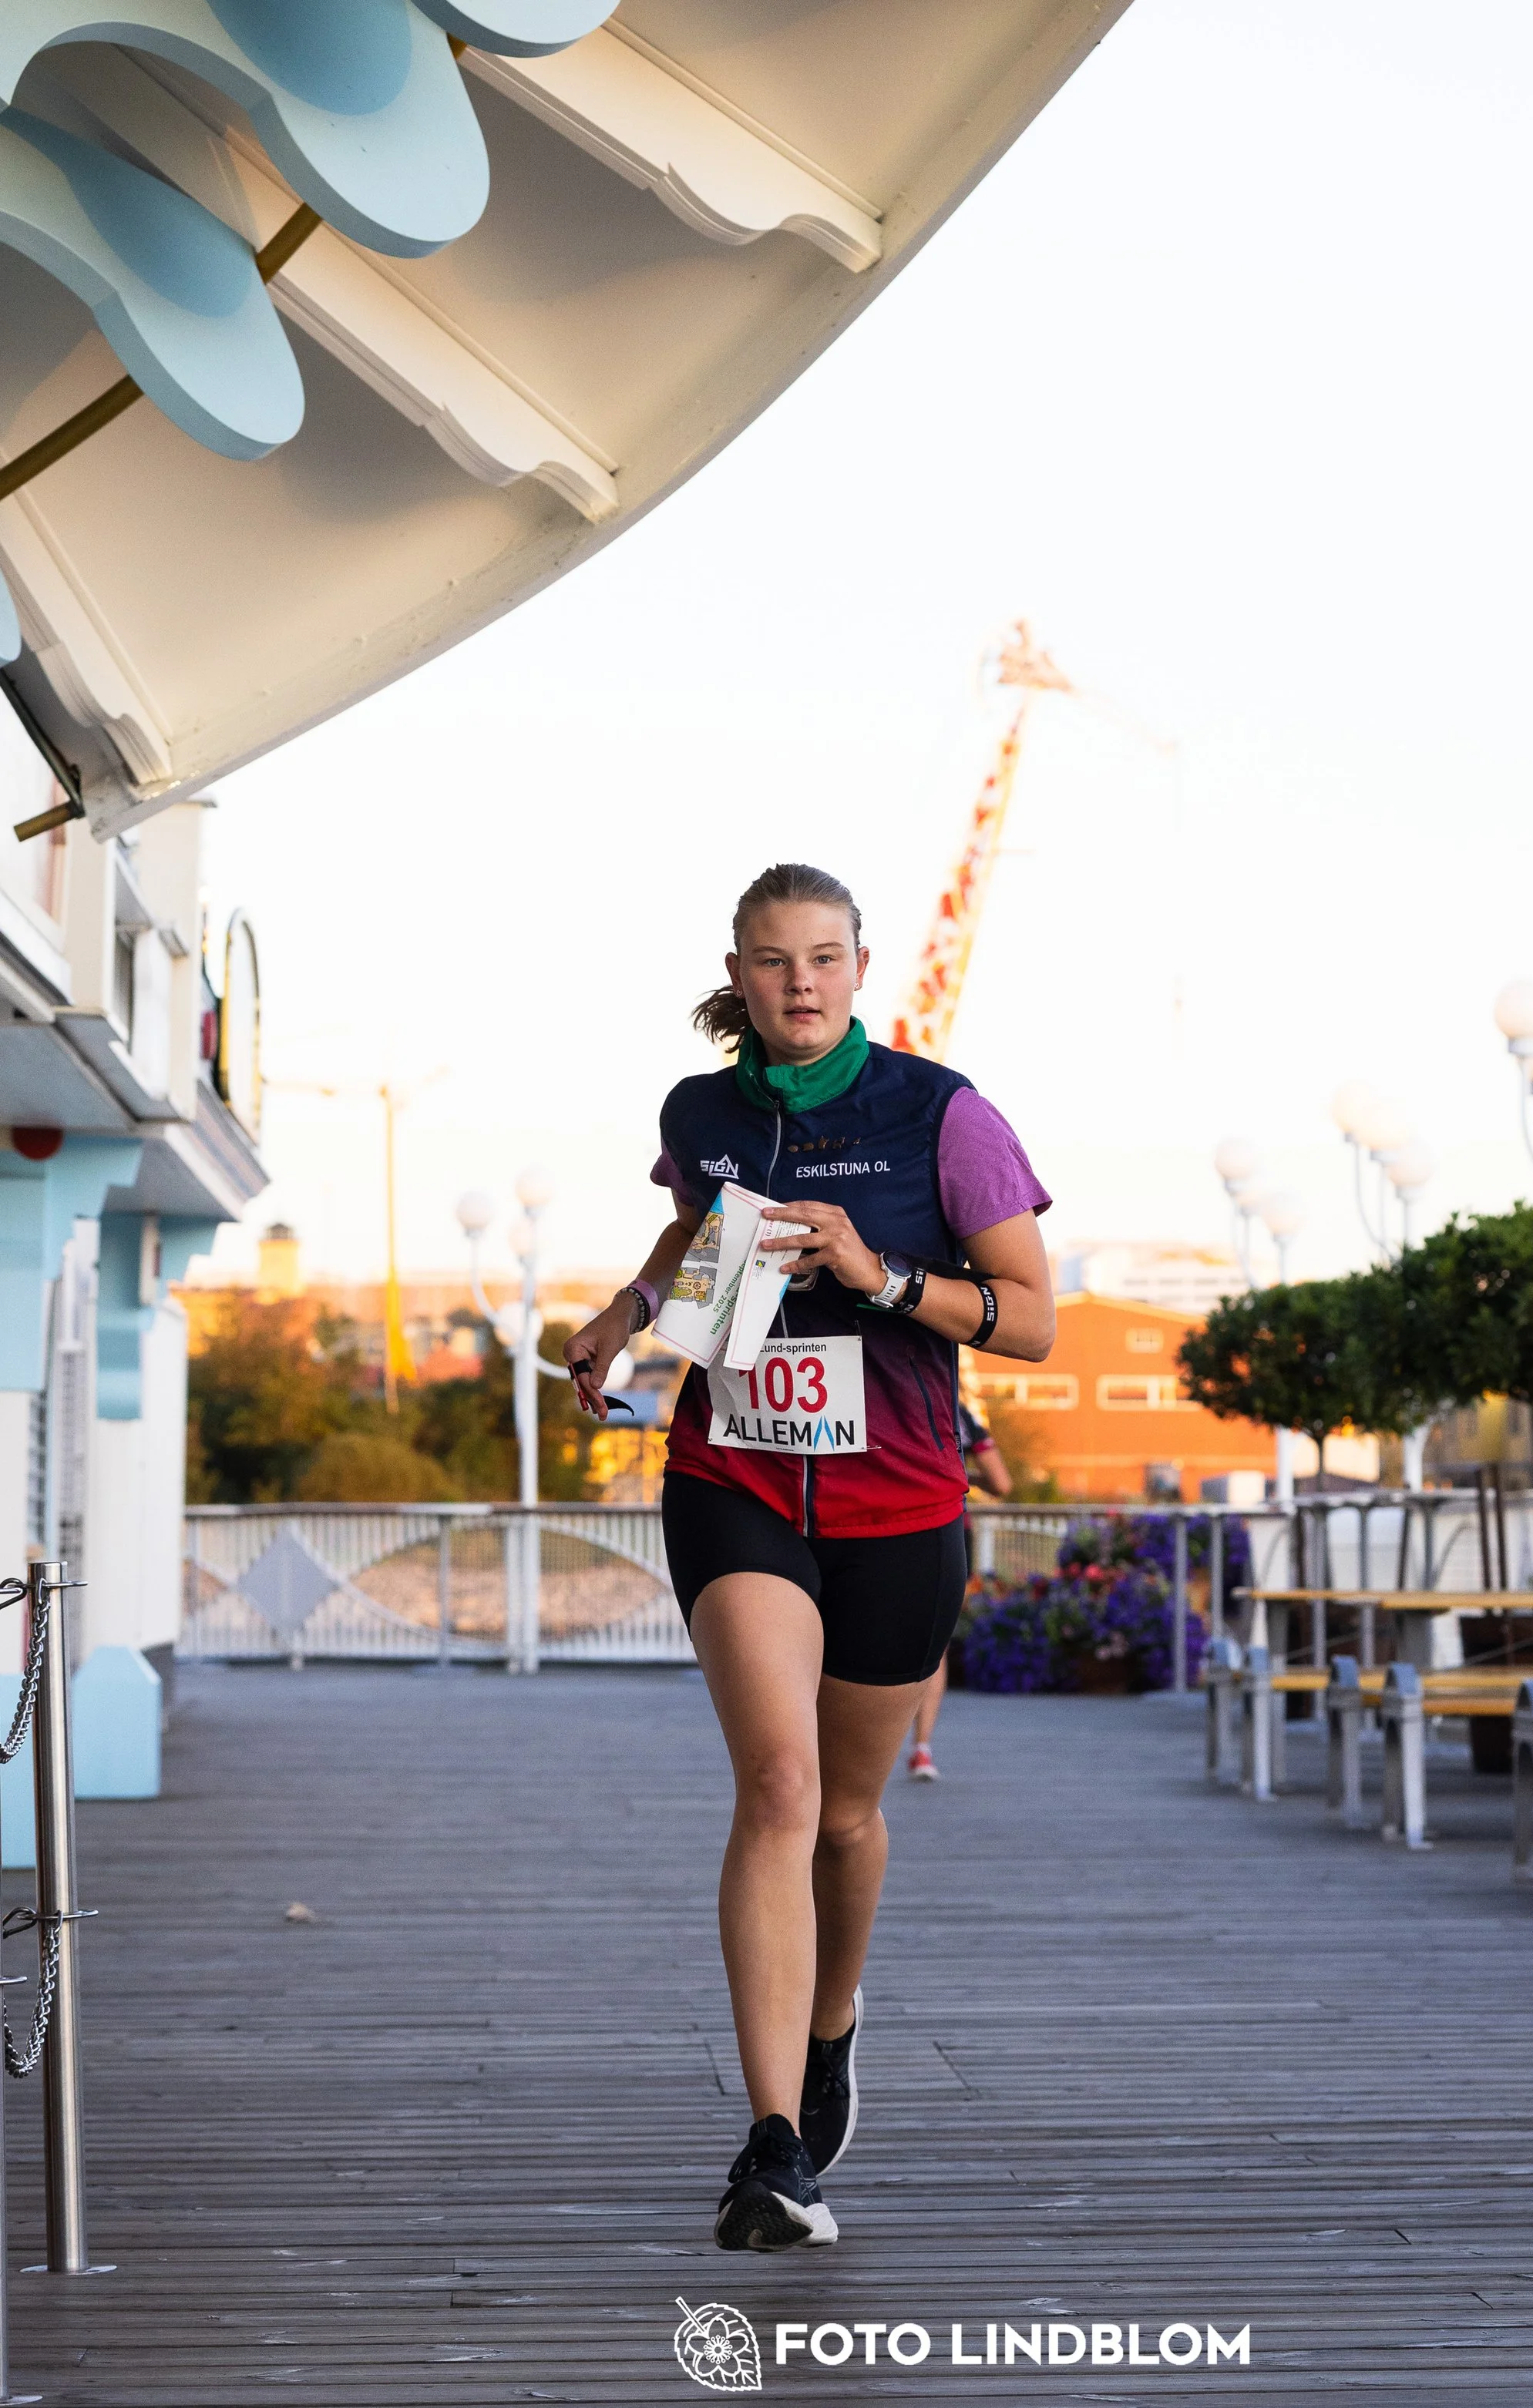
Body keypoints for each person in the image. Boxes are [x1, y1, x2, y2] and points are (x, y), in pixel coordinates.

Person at [564, 862, 1053, 2253]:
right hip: (737, 1477)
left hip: (900, 1498)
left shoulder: (941, 1115)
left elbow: (1030, 1323)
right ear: (739, 965)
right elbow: (695, 1233)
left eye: (824, 959)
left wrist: (876, 1272)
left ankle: (834, 2021)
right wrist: (629, 1310)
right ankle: (775, 2149)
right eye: (774, 961)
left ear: (859, 966)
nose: (799, 983)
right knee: (774, 1786)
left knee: (845, 1813)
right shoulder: (702, 1112)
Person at [904, 1372, 1012, 1782]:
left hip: (871, 1525)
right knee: (934, 1644)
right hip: (945, 1532)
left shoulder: (872, 1394)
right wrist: (962, 1474)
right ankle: (922, 1748)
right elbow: (1001, 1482)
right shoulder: (958, 1412)